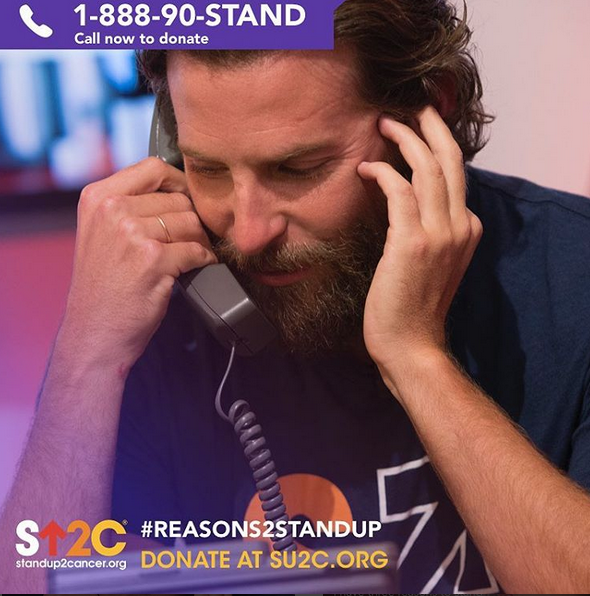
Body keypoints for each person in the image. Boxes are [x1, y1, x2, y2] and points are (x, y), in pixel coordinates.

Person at [1, 1, 590, 593]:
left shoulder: (571, 274)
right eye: (208, 169)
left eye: (297, 168)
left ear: (429, 112)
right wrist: (87, 356)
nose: (249, 233)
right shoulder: (152, 315)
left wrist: (416, 358)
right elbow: (29, 576)